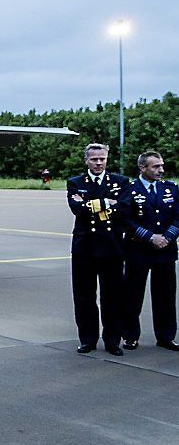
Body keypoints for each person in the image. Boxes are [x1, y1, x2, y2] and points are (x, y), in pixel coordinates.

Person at [66, 143, 129, 356]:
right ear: (86, 160)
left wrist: (92, 204)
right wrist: (107, 202)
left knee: (112, 296)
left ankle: (112, 340)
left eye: (102, 159)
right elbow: (77, 209)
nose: (99, 163)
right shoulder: (75, 183)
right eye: (94, 159)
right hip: (85, 247)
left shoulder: (121, 182)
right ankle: (87, 339)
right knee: (84, 296)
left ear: (107, 159)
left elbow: (124, 209)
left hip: (111, 247)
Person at [118, 151, 179, 351]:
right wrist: (150, 237)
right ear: (142, 168)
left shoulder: (170, 188)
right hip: (138, 250)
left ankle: (166, 336)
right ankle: (130, 336)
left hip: (165, 251)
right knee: (132, 295)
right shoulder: (129, 189)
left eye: (161, 166)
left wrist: (167, 237)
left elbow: (178, 217)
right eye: (155, 166)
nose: (161, 170)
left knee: (166, 296)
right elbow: (125, 220)